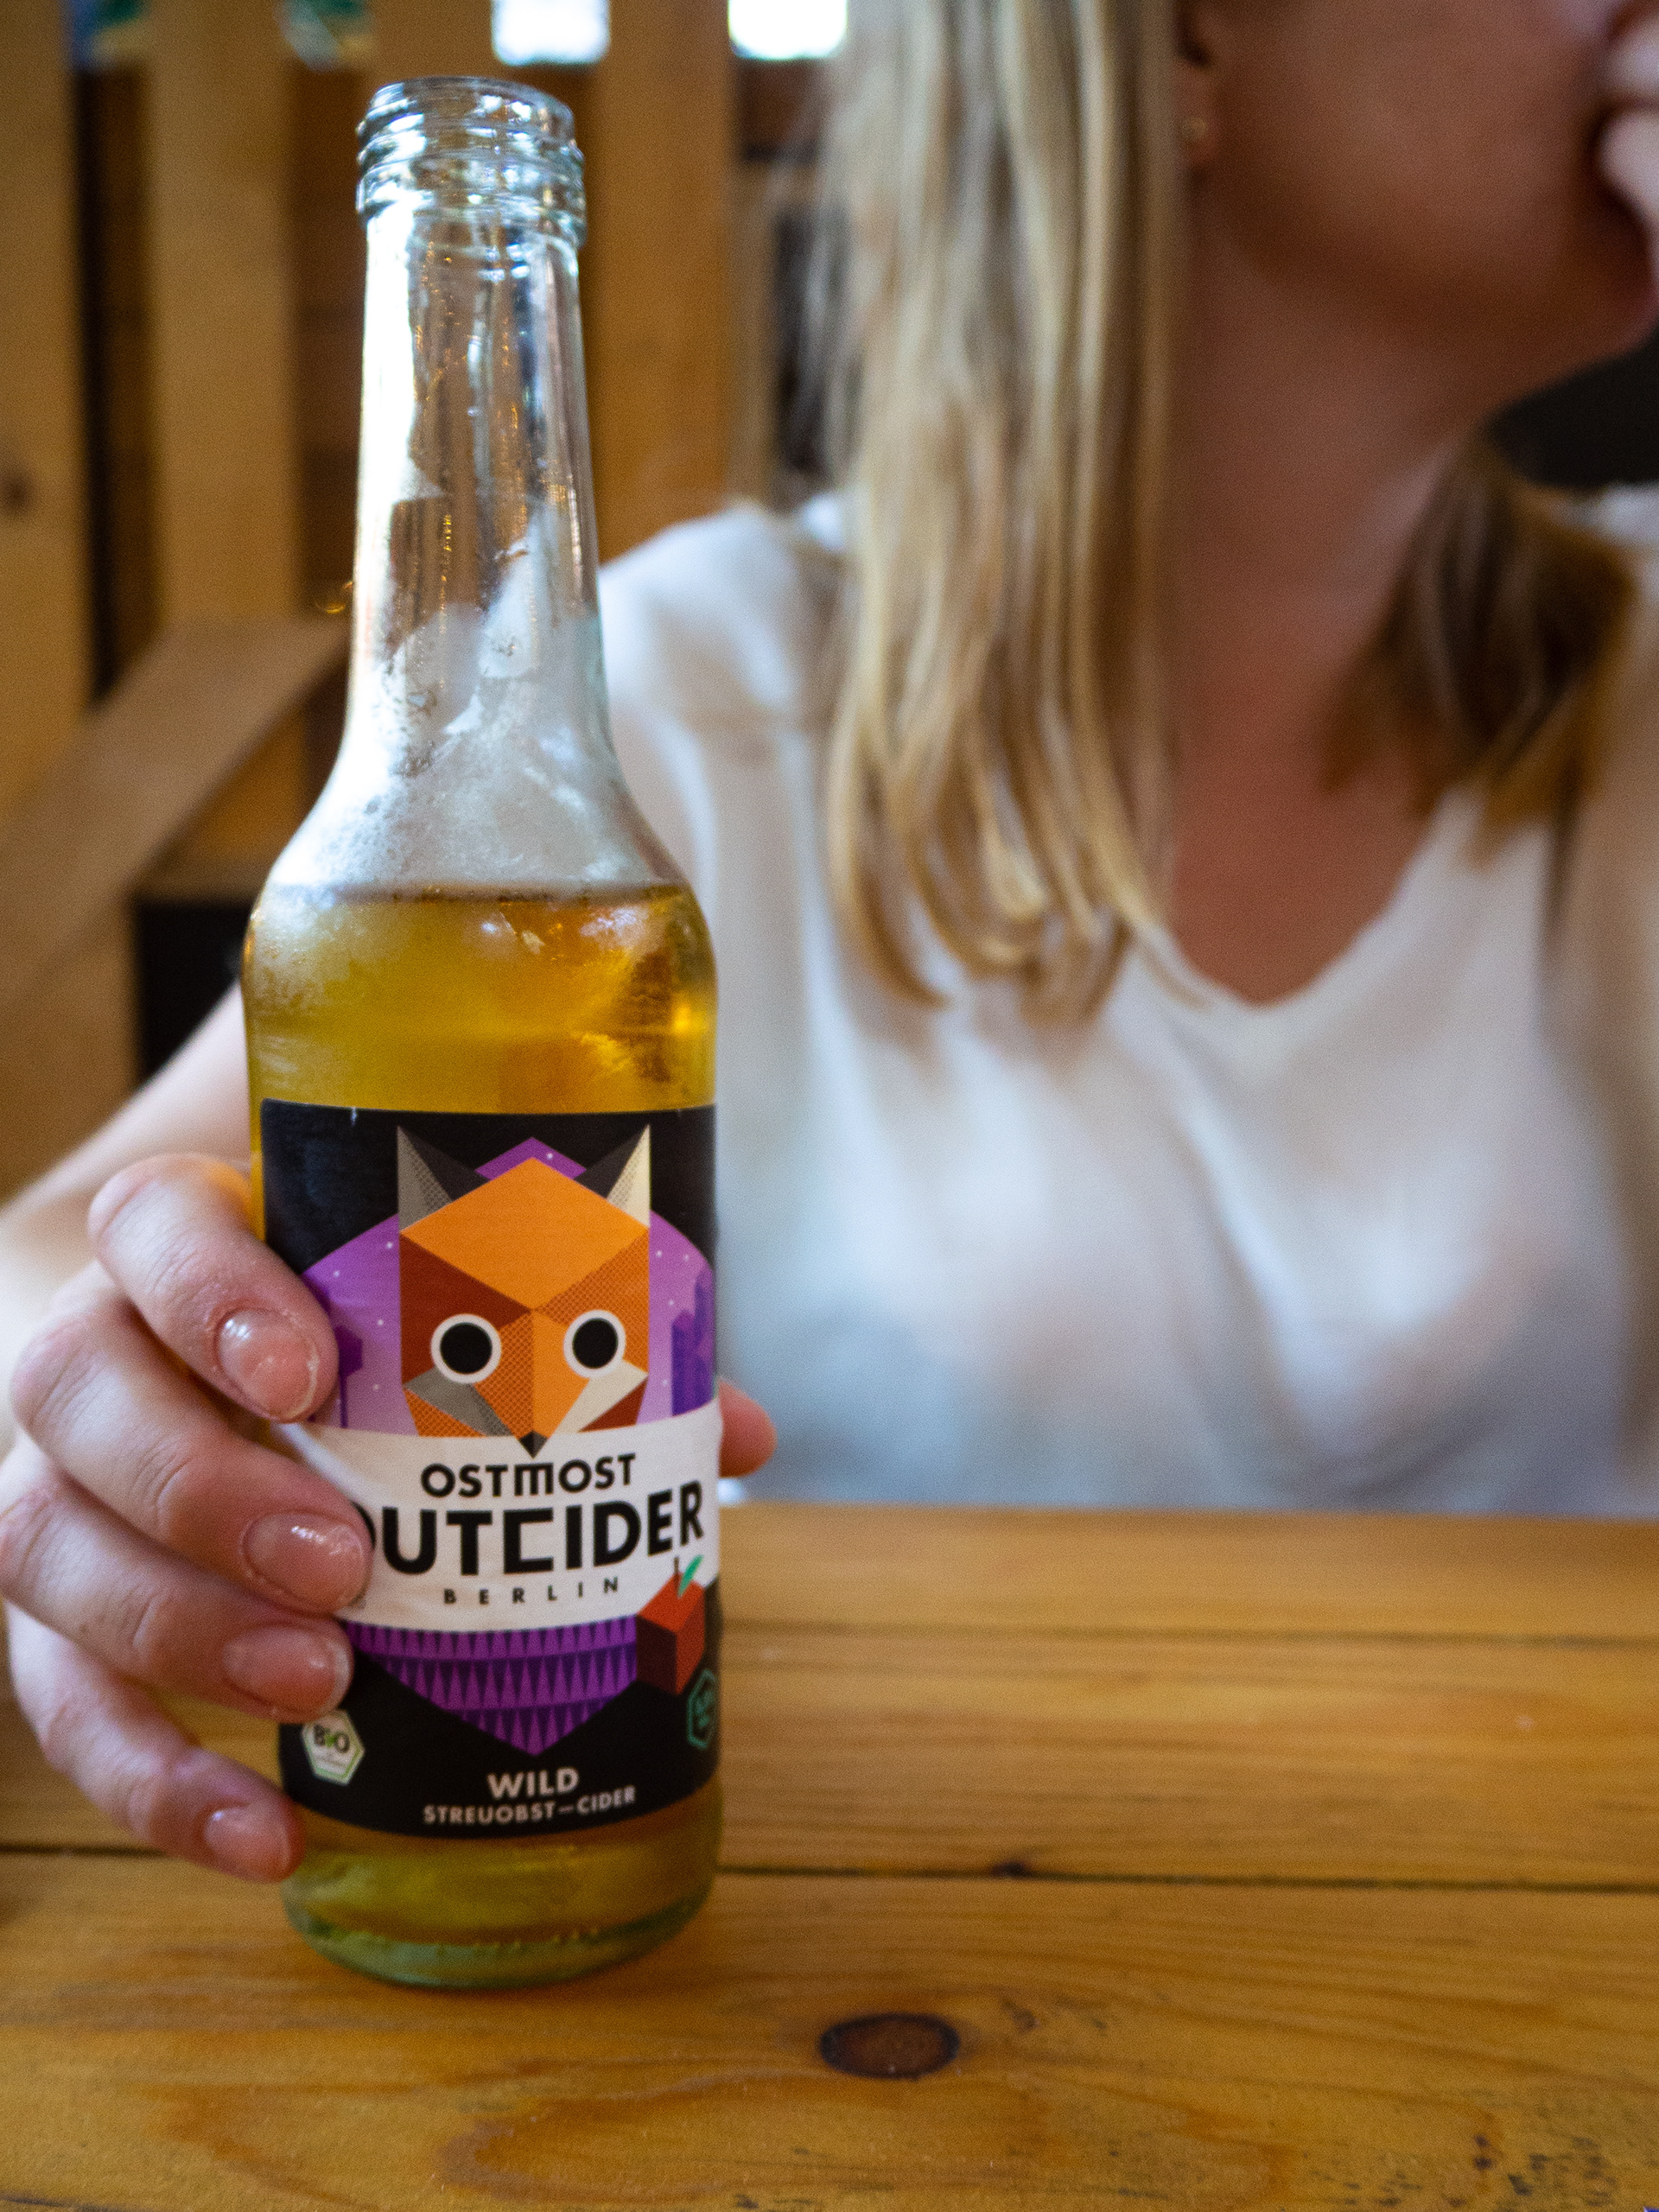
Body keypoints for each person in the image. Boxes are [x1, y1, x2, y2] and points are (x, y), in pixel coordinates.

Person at [7, 0, 1659, 1882]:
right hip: (894, 1890)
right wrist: (110, 1417)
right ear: (1188, 42)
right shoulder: (680, 718)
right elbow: (49, 1259)